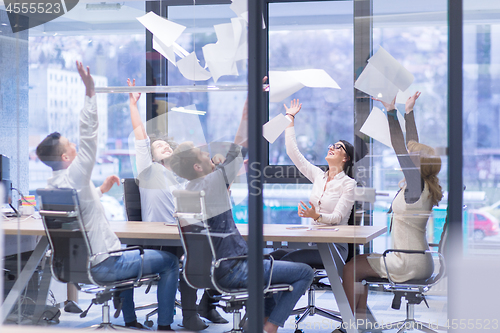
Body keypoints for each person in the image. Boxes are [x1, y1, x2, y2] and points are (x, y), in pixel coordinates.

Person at [35, 62, 179, 331]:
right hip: (105, 263)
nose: (76, 146)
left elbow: (79, 209)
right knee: (170, 263)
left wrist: (100, 191)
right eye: (70, 146)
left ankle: (131, 321)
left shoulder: (53, 185)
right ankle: (165, 326)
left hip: (79, 266)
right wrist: (91, 93)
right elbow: (89, 136)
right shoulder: (76, 176)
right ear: (66, 157)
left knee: (123, 250)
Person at [169, 98, 315, 333]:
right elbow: (239, 147)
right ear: (197, 167)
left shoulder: (189, 189)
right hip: (234, 269)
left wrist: (217, 167)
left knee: (268, 261)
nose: (209, 154)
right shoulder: (213, 182)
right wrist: (246, 113)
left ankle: (256, 323)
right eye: (203, 155)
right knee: (305, 272)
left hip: (211, 271)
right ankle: (271, 326)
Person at [126, 79, 227, 330]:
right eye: (157, 146)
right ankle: (189, 316)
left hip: (181, 233)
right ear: (150, 155)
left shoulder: (183, 177)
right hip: (158, 236)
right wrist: (133, 105)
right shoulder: (148, 170)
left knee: (218, 252)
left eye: (166, 144)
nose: (163, 146)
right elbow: (140, 134)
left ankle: (207, 305)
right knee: (188, 258)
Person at [341, 91, 443, 318]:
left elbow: (402, 147)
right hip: (416, 258)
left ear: (417, 165)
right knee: (356, 262)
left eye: (412, 156)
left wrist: (390, 112)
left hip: (407, 262)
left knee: (350, 269)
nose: (408, 155)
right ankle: (360, 321)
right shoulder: (422, 186)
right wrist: (409, 112)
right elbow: (411, 145)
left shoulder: (416, 186)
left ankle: (348, 324)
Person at [271, 99, 356, 265]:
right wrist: (290, 118)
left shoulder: (348, 184)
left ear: (346, 158)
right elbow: (292, 152)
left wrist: (315, 215)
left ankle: (271, 290)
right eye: (331, 145)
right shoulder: (319, 176)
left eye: (338, 147)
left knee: (287, 260)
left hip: (334, 248)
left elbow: (337, 218)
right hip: (314, 242)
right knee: (274, 256)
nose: (331, 148)